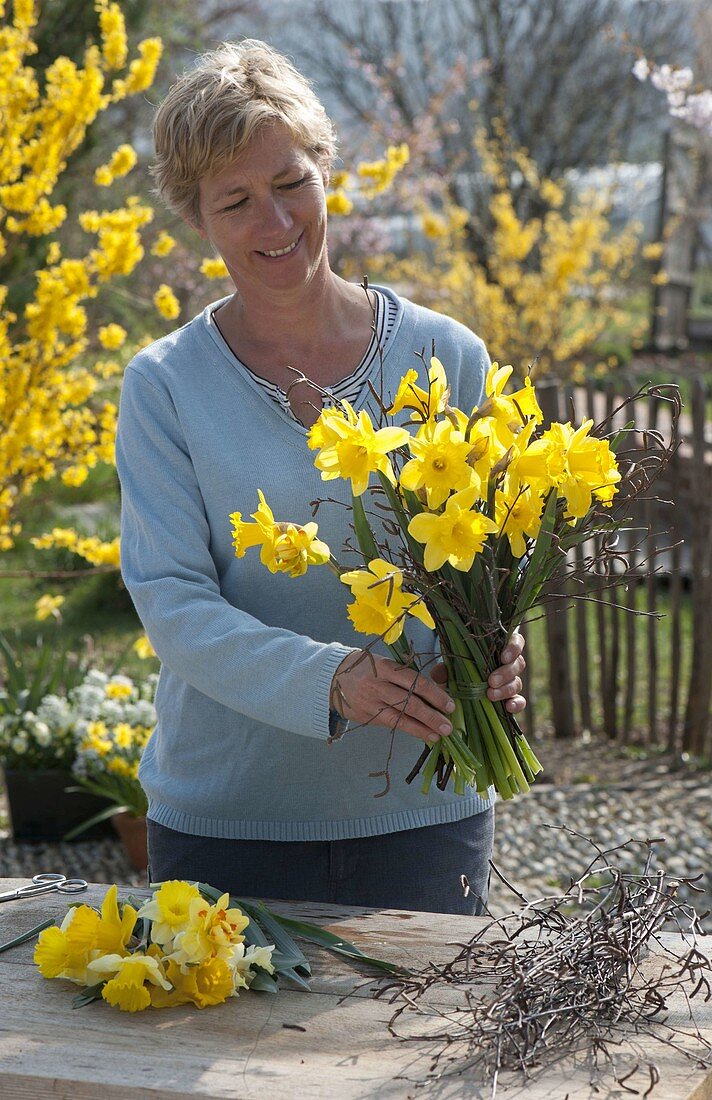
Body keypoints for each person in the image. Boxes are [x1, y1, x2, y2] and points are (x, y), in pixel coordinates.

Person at [115, 40, 527, 915]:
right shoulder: (165, 386)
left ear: (327, 170)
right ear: (199, 218)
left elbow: (485, 566)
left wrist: (498, 645)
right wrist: (330, 681)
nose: (276, 223)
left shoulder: (446, 356)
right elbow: (174, 605)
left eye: (292, 183)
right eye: (236, 201)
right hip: (230, 822)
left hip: (427, 812)